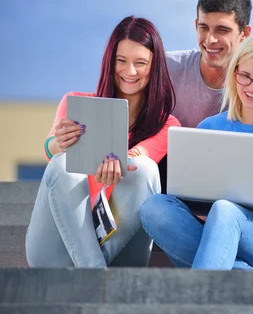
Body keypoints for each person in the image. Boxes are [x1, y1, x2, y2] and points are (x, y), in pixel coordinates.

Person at [140, 33, 253, 271]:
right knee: (154, 207)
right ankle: (243, 273)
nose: (251, 87)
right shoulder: (209, 127)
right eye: (244, 76)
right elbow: (195, 198)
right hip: (216, 230)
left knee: (227, 210)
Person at [26, 16, 180, 268]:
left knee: (144, 169)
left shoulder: (167, 124)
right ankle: (94, 273)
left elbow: (140, 160)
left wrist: (119, 167)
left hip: (119, 243)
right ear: (110, 62)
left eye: (140, 63)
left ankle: (90, 270)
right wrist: (58, 143)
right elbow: (50, 152)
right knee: (61, 164)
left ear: (154, 67)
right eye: (121, 61)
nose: (130, 71)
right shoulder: (74, 101)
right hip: (58, 245)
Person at [167, 0, 252, 128]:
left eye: (222, 30)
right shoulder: (166, 67)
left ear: (244, 33)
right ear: (196, 25)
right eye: (204, 28)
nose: (210, 39)